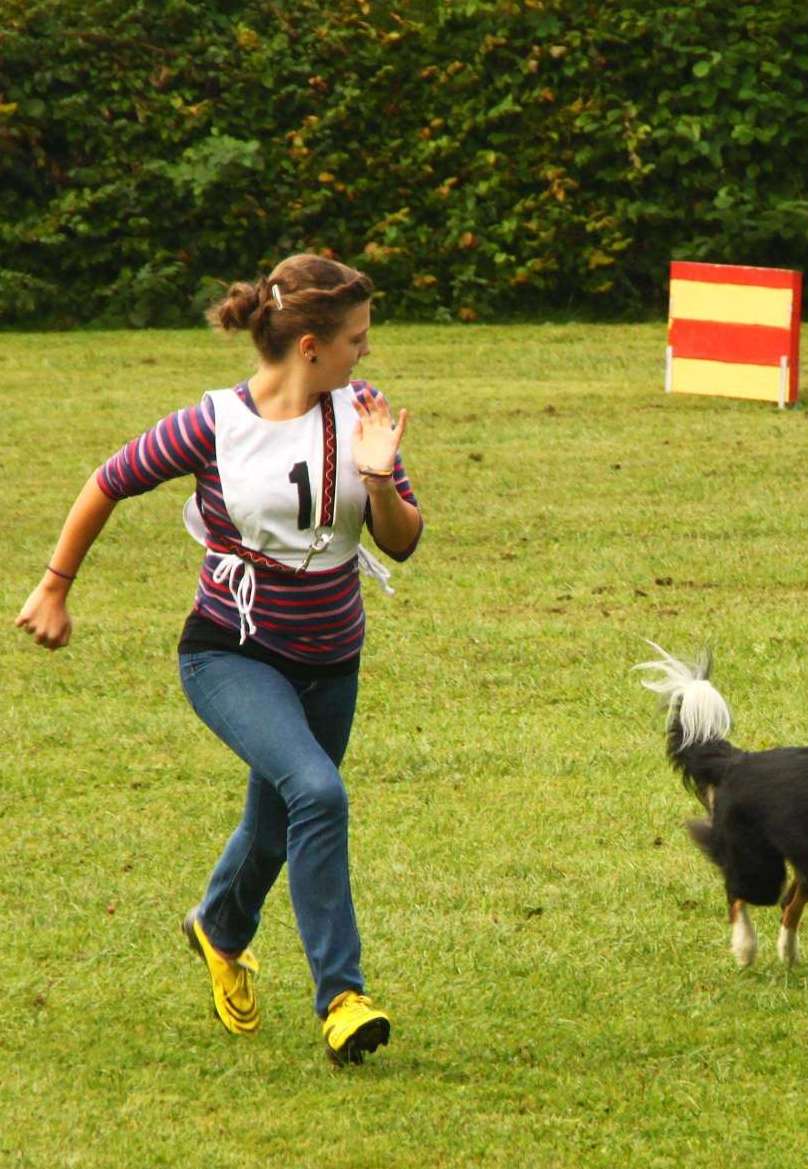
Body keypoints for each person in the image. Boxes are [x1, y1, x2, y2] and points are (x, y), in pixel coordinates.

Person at [15, 254, 422, 1065]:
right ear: (310, 344)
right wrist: (55, 586)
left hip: (332, 659)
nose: (365, 355)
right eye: (356, 340)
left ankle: (218, 926)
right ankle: (342, 995)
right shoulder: (212, 423)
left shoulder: (363, 412)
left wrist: (380, 480)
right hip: (230, 654)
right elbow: (109, 480)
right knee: (315, 789)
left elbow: (402, 541)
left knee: (276, 823)